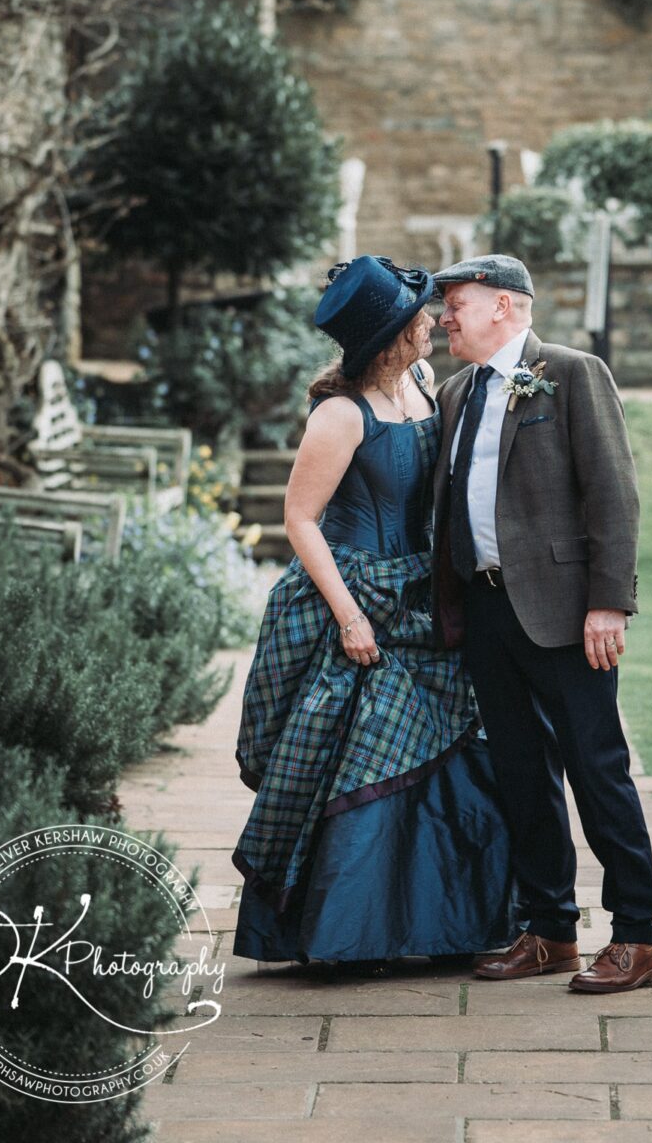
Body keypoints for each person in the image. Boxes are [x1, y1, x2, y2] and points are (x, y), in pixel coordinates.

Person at [232, 254, 517, 966]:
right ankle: (355, 934)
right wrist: (351, 617)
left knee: (455, 749)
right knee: (365, 752)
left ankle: (449, 924)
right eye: (421, 315)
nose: (433, 322)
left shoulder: (423, 384)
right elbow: (300, 520)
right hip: (358, 599)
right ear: (393, 332)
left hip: (424, 594)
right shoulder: (340, 413)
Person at [430, 253, 652, 993]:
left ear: (505, 306)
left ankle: (638, 936)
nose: (444, 319)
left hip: (566, 613)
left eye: (456, 304)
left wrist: (609, 600)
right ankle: (549, 930)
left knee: (598, 771)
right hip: (488, 610)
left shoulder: (570, 372)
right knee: (521, 775)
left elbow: (614, 495)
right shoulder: (454, 392)